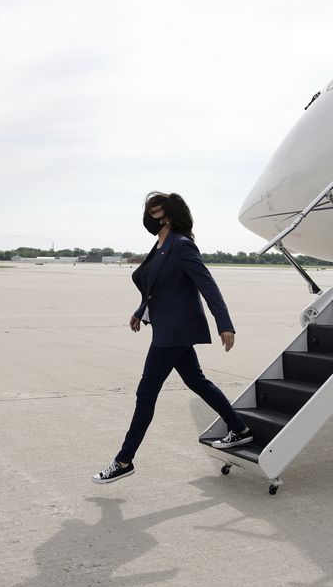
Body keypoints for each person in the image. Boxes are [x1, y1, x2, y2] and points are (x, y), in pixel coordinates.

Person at [93, 192, 252, 484]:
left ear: (166, 215)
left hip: (174, 332)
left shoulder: (181, 245)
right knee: (196, 381)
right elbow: (155, 287)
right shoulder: (161, 244)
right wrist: (141, 310)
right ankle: (239, 429)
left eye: (154, 212)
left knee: (146, 394)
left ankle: (124, 460)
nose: (149, 217)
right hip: (168, 327)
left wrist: (224, 324)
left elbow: (207, 284)